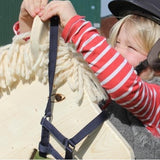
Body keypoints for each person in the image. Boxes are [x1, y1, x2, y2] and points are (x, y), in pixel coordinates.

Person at [16, 0, 160, 158]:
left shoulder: (154, 99)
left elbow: (124, 86)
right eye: (117, 42)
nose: (117, 51)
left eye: (131, 47)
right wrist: (29, 27)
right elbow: (51, 75)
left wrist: (75, 26)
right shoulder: (102, 87)